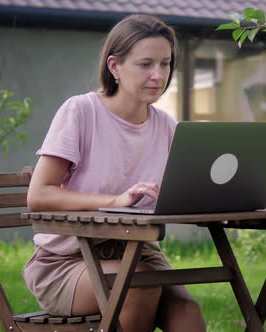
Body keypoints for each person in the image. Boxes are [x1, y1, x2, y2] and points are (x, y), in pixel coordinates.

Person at [23, 14, 206, 332]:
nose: (158, 75)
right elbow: (39, 195)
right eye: (146, 64)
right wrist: (117, 200)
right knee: (140, 285)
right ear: (115, 67)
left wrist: (176, 196)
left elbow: (185, 191)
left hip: (139, 251)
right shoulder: (81, 112)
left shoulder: (166, 126)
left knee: (187, 314)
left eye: (165, 64)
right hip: (69, 260)